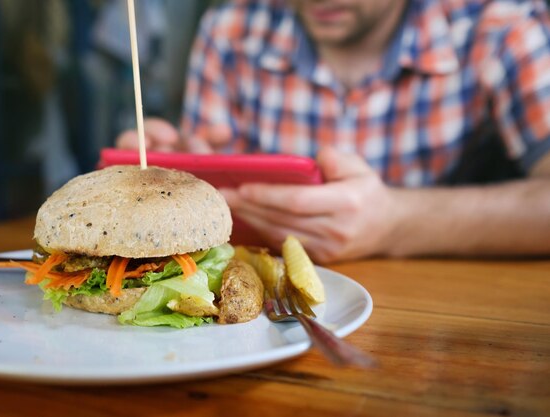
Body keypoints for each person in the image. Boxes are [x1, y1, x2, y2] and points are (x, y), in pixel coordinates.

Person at [116, 0, 550, 264]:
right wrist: (181, 170)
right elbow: (216, 209)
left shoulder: (501, 27)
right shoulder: (230, 27)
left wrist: (396, 223)